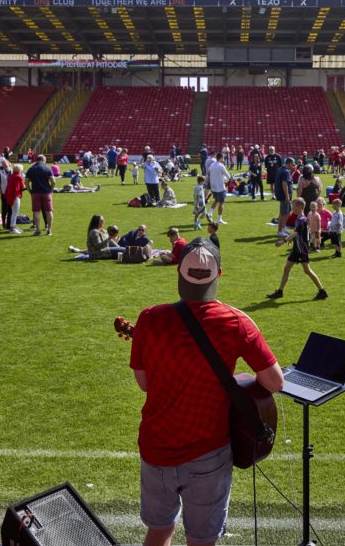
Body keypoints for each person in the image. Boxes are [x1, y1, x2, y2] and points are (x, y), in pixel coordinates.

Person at [128, 237, 282, 546]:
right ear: (219, 274)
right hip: (208, 454)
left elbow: (145, 383)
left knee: (159, 531)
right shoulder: (237, 322)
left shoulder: (149, 318)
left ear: (179, 272)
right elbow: (274, 382)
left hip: (156, 448)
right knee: (202, 541)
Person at [267, 198, 327, 300]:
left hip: (301, 250)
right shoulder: (299, 218)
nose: (292, 208)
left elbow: (296, 233)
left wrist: (283, 241)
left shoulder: (301, 219)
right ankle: (280, 291)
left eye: (294, 206)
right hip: (296, 248)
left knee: (307, 270)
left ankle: (322, 291)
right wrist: (292, 239)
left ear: (300, 207)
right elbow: (298, 233)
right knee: (286, 268)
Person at [25, 155, 56, 236]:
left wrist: (29, 190)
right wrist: (51, 190)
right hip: (46, 192)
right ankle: (49, 230)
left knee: (36, 212)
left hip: (35, 192)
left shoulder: (31, 169)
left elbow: (26, 182)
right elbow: (53, 182)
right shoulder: (47, 168)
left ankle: (38, 230)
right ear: (43, 160)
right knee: (49, 211)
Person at [274, 158, 296, 235]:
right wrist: (287, 196)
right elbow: (284, 183)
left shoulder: (281, 169)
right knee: (284, 213)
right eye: (292, 164)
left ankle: (283, 228)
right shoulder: (285, 171)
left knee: (286, 212)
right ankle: (280, 231)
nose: (293, 165)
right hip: (284, 195)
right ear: (289, 163)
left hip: (282, 194)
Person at [206, 151, 229, 224]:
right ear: (221, 158)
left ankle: (209, 213)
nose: (224, 159)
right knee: (221, 203)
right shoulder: (221, 166)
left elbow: (208, 174)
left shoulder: (212, 165)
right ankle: (219, 219)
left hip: (213, 187)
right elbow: (228, 176)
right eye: (223, 158)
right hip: (220, 187)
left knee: (216, 200)